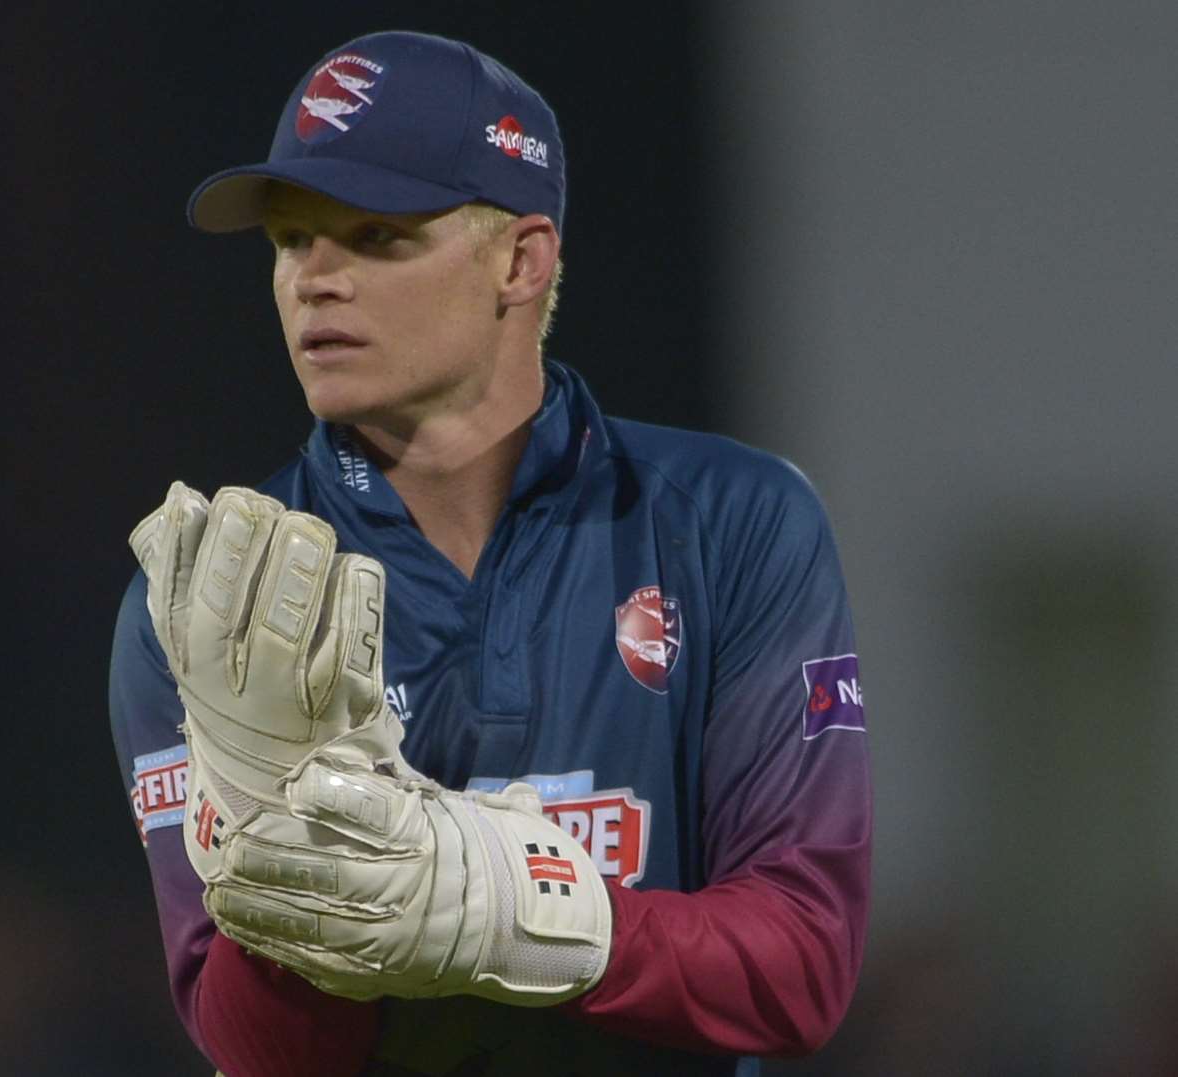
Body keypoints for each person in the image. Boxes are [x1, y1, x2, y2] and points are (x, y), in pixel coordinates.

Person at [109, 29, 871, 1077]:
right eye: (290, 240)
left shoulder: (732, 521)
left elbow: (802, 969)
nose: (313, 280)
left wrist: (508, 911)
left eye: (375, 235)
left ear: (522, 260)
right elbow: (256, 1058)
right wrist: (274, 840)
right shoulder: (209, 600)